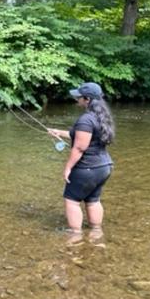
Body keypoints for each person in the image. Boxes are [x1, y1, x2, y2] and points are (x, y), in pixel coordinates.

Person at [47, 82, 115, 246]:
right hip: (104, 167)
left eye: (79, 96)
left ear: (87, 99)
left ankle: (75, 236)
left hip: (87, 168)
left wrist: (68, 167)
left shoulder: (86, 119)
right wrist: (59, 132)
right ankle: (96, 232)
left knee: (72, 200)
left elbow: (79, 147)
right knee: (93, 199)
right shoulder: (102, 117)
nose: (77, 98)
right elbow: (81, 136)